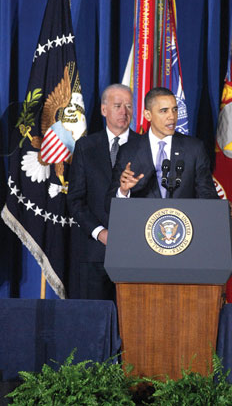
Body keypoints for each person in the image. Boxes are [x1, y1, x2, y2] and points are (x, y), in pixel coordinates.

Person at [67, 84, 137, 300]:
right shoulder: (85, 147)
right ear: (104, 110)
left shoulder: (145, 146)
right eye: (117, 106)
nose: (124, 112)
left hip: (135, 252)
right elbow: (75, 200)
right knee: (93, 322)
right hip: (94, 253)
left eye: (128, 106)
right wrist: (100, 232)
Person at [109, 87, 232, 208]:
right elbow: (109, 204)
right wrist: (123, 191)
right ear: (148, 115)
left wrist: (221, 208)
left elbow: (207, 193)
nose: (172, 117)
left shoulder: (194, 148)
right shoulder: (128, 151)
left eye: (174, 110)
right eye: (164, 111)